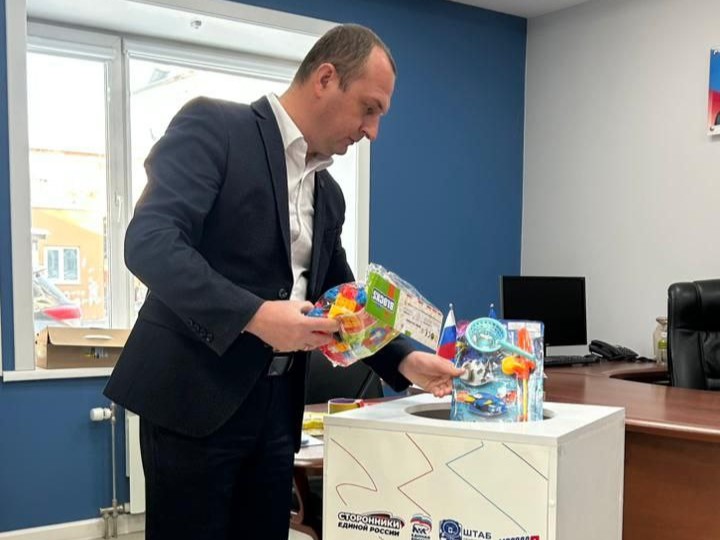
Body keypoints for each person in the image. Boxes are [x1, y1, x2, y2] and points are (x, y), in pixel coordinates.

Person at [104, 23, 463, 540]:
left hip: (277, 409)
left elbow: (343, 298)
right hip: (194, 398)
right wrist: (254, 316)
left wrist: (405, 359)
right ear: (325, 78)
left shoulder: (329, 193)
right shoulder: (215, 128)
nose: (372, 131)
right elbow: (150, 242)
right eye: (369, 108)